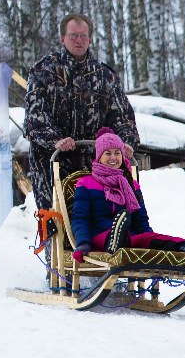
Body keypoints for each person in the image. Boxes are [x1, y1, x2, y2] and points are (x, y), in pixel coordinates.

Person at [23, 12, 139, 210]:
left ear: (90, 39)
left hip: (96, 164)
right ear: (62, 38)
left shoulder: (105, 76)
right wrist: (55, 140)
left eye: (83, 36)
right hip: (53, 165)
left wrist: (125, 142)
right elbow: (35, 118)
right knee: (59, 223)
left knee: (102, 218)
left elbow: (123, 118)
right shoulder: (43, 71)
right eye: (73, 36)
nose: (79, 40)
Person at [70, 130, 185, 271]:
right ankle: (115, 241)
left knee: (151, 239)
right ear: (99, 156)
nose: (113, 157)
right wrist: (83, 243)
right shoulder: (86, 183)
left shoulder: (130, 184)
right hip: (98, 236)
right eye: (108, 153)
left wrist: (150, 239)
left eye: (117, 153)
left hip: (129, 237)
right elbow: (80, 218)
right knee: (114, 236)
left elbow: (141, 219)